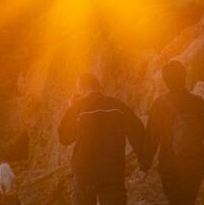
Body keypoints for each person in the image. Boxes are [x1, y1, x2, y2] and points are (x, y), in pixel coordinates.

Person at [144, 61, 204, 205]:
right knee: (189, 201)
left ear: (165, 81)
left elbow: (151, 138)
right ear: (184, 77)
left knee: (176, 201)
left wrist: (144, 166)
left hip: (168, 163)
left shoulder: (158, 104)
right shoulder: (196, 102)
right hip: (194, 162)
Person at [59, 74, 148, 204]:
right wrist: (144, 165)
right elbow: (138, 132)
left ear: (82, 89)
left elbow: (64, 138)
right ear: (99, 87)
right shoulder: (118, 107)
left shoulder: (77, 108)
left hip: (84, 171)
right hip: (112, 170)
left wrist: (71, 107)